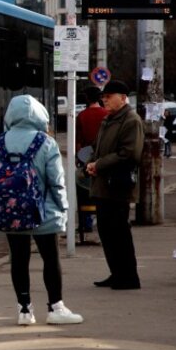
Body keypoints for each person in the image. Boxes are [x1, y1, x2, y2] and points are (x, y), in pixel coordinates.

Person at [0, 94, 84, 326]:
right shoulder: (45, 142)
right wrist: (64, 207)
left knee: (18, 259)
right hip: (44, 210)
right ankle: (55, 307)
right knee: (50, 258)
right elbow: (56, 181)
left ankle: (24, 310)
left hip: (11, 210)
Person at [85, 79, 145, 290]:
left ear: (122, 97)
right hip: (103, 184)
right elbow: (98, 147)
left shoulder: (130, 120)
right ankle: (116, 272)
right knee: (106, 230)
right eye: (103, 97)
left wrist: (99, 164)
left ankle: (129, 276)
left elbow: (129, 153)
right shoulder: (108, 119)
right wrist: (91, 162)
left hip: (118, 185)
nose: (105, 101)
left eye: (108, 97)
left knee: (119, 231)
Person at [75, 85, 108, 243]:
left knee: (85, 189)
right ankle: (103, 219)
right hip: (104, 156)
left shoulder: (82, 115)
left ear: (87, 98)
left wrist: (78, 158)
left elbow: (78, 141)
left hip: (86, 156)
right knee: (103, 189)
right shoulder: (106, 114)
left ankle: (86, 222)